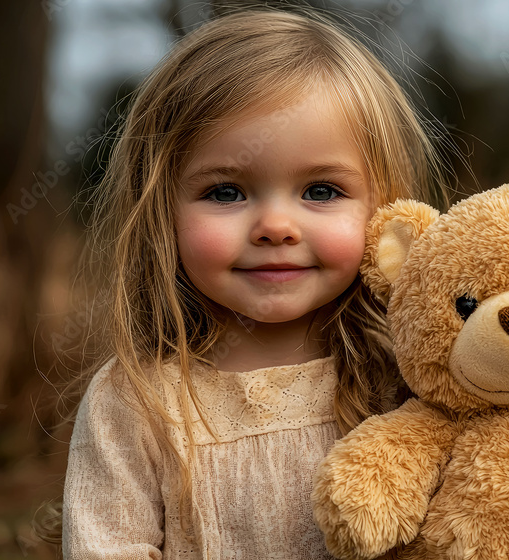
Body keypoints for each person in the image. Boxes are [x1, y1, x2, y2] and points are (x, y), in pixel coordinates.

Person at [36, 6, 451, 559]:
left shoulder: (410, 375)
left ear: (384, 206)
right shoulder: (137, 403)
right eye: (226, 192)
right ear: (160, 210)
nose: (276, 227)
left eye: (322, 191)